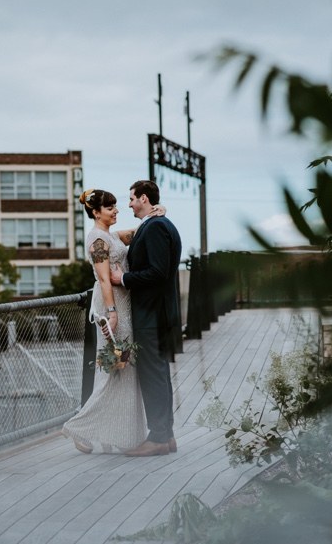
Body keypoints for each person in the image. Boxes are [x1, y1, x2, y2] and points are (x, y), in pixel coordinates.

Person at [61, 188, 158, 454]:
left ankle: (108, 433)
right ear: (95, 212)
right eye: (110, 207)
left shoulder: (108, 236)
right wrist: (112, 313)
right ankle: (79, 427)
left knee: (122, 368)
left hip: (122, 305)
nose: (116, 210)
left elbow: (134, 234)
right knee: (116, 368)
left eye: (116, 206)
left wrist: (156, 212)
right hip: (113, 308)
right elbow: (104, 279)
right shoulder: (98, 241)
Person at [110, 180, 182, 457]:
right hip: (157, 312)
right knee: (159, 374)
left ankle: (159, 437)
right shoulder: (156, 223)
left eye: (131, 199)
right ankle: (166, 436)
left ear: (143, 198)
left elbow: (158, 272)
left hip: (152, 314)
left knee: (153, 375)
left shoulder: (156, 227)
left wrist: (123, 278)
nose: (128, 204)